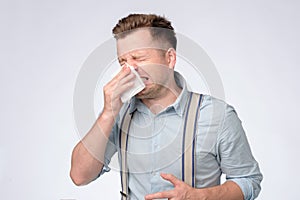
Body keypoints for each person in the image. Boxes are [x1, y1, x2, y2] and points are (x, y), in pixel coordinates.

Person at [70, 13, 263, 200]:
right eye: (123, 62)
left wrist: (200, 196)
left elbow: (248, 180)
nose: (130, 70)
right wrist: (108, 112)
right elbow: (79, 176)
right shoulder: (118, 115)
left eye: (139, 58)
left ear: (169, 59)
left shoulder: (217, 115)